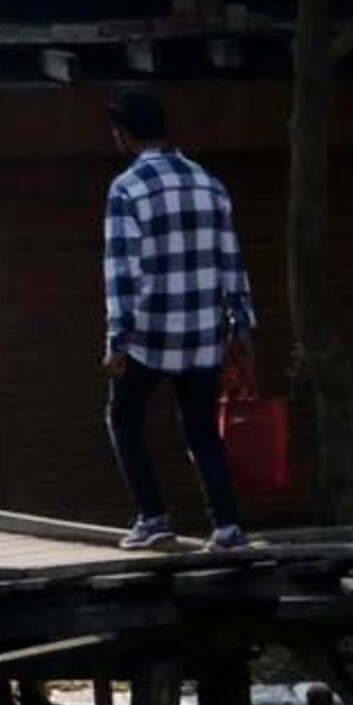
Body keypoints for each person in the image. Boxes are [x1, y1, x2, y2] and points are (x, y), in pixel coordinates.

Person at [99, 88, 255, 554]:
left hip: (149, 333)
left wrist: (117, 338)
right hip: (203, 334)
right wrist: (241, 324)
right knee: (202, 429)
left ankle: (153, 517)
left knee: (124, 419)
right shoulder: (209, 182)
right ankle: (226, 528)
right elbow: (232, 257)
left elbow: (123, 270)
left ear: (123, 135)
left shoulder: (127, 189)